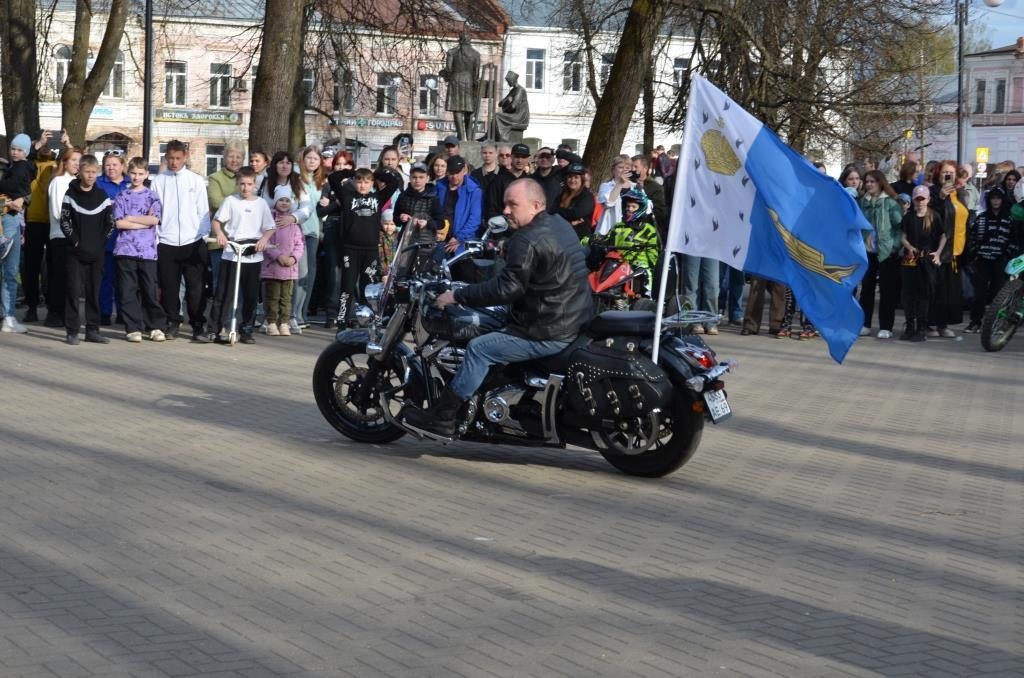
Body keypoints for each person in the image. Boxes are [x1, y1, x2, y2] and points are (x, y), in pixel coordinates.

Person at [401, 179, 591, 437]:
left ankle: (443, 417)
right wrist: (505, 249)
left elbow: (506, 289)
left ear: (536, 205)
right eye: (505, 204)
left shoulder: (527, 239)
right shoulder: (558, 223)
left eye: (513, 204)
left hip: (547, 328)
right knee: (491, 317)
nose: (506, 210)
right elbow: (541, 265)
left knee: (479, 348)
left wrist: (457, 295)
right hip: (566, 315)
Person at [151, 139, 212, 343]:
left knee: (195, 288)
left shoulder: (195, 181)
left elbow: (203, 211)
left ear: (185, 157)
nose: (174, 162)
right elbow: (156, 210)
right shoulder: (159, 181)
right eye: (171, 158)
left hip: (192, 241)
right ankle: (173, 321)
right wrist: (158, 236)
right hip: (167, 242)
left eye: (178, 158)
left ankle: (197, 324)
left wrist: (202, 236)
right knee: (169, 287)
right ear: (166, 158)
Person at [208, 166, 275, 344]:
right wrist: (220, 234)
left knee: (251, 295)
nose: (245, 188)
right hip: (232, 252)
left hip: (252, 253)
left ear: (255, 184)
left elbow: (270, 227)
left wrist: (264, 239)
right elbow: (216, 221)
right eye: (242, 184)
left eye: (249, 184)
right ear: (237, 184)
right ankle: (216, 328)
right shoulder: (230, 201)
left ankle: (246, 329)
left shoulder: (261, 204)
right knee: (224, 293)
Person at [59, 155, 114, 345]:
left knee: (94, 292)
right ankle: (72, 331)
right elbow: (64, 221)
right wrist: (75, 242)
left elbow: (110, 224)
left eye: (93, 172)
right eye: (87, 172)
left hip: (96, 253)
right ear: (79, 172)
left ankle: (92, 330)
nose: (90, 176)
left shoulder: (103, 196)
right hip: (75, 254)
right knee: (73, 291)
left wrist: (100, 243)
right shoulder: (70, 194)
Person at [336, 167, 400, 325]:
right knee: (348, 285)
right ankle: (342, 319)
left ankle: (366, 319)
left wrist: (376, 174)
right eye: (359, 181)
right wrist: (352, 171)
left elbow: (394, 182)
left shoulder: (378, 197)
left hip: (371, 250)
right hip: (350, 249)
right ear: (354, 182)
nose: (363, 185)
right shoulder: (347, 196)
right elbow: (334, 179)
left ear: (372, 183)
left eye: (367, 181)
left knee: (368, 287)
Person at [112, 157, 167, 343]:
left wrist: (131, 219)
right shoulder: (121, 196)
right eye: (133, 173)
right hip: (125, 249)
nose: (136, 177)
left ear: (146, 175)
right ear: (128, 173)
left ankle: (155, 326)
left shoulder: (152, 196)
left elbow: (155, 220)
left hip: (148, 250)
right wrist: (142, 221)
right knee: (128, 290)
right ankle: (133, 327)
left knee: (149, 289)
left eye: (140, 174)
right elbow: (119, 223)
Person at [857, 169, 905, 339]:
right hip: (868, 252)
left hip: (887, 253)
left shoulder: (891, 203)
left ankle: (886, 326)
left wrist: (894, 246)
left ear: (880, 183)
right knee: (866, 290)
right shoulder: (864, 202)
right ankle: (865, 324)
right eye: (867, 181)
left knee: (887, 291)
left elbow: (900, 227)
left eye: (872, 181)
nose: (869, 184)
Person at [588, 187, 660, 296]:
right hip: (617, 261)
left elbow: (653, 252)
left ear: (640, 208)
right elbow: (606, 239)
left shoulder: (648, 229)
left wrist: (651, 264)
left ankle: (647, 299)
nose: (629, 209)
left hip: (638, 263)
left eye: (633, 207)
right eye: (627, 206)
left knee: (645, 273)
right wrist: (591, 240)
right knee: (595, 272)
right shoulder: (618, 226)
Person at [964, 186, 1017, 333]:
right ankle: (975, 323)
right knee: (979, 293)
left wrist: (1006, 254)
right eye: (993, 198)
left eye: (998, 198)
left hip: (1000, 261)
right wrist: (975, 253)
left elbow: (1014, 240)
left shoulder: (1009, 219)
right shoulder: (982, 218)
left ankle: (997, 324)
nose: (995, 201)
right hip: (982, 260)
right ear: (989, 200)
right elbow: (972, 237)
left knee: (998, 293)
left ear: (1002, 200)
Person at [927, 160, 969, 338]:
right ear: (938, 174)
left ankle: (943, 325)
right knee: (935, 288)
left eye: (951, 172)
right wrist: (941, 198)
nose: (948, 175)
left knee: (948, 290)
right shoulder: (933, 192)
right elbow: (930, 216)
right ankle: (930, 324)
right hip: (938, 247)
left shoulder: (960, 194)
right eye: (945, 172)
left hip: (956, 248)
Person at [0, 133, 37, 334]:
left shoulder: (17, 168)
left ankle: (8, 316)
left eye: (19, 150)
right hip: (6, 219)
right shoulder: (9, 168)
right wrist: (10, 201)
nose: (15, 153)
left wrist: (23, 198)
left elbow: (26, 184)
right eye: (13, 149)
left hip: (12, 220)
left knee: (10, 271)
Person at [900, 185, 945, 342]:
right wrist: (909, 247)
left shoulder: (934, 216)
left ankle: (921, 327)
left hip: (926, 260)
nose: (920, 202)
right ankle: (910, 326)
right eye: (917, 199)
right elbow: (903, 236)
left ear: (928, 199)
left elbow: (943, 235)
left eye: (922, 199)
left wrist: (938, 253)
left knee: (923, 294)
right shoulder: (908, 217)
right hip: (911, 259)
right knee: (908, 294)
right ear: (913, 200)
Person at [21, 140, 58, 323]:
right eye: (44, 142)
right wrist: (37, 145)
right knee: (31, 267)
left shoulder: (58, 166)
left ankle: (53, 307)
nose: (46, 147)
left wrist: (66, 145)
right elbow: (21, 163)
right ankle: (31, 306)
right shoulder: (30, 165)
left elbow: (73, 163)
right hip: (34, 220)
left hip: (53, 222)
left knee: (53, 267)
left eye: (50, 143)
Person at [261, 186, 305, 337]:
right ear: (275, 201)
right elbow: (266, 242)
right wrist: (278, 256)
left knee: (286, 298)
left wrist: (293, 258)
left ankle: (284, 322)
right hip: (273, 267)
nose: (284, 203)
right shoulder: (270, 220)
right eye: (281, 200)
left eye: (287, 200)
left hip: (289, 269)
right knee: (272, 297)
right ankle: (271, 322)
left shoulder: (294, 223)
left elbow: (300, 244)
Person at [45, 147, 81, 328]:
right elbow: (59, 211)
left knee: (69, 278)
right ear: (64, 162)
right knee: (59, 276)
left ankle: (65, 313)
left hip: (73, 236)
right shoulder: (59, 181)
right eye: (73, 160)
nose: (76, 164)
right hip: (60, 235)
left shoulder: (77, 182)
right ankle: (55, 313)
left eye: (79, 161)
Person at [293, 145, 326, 333]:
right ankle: (294, 314)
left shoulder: (320, 181)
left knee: (309, 275)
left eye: (316, 158)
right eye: (309, 158)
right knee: (300, 272)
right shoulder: (296, 177)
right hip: (297, 229)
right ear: (303, 159)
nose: (312, 161)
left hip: (313, 230)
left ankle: (302, 313)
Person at [207, 142, 246, 296]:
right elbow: (216, 202)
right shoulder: (215, 178)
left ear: (243, 159)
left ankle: (240, 318)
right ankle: (220, 318)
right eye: (231, 156)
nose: (234, 160)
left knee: (241, 283)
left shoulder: (247, 178)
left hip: (243, 239)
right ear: (224, 158)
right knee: (220, 281)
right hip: (220, 239)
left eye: (238, 157)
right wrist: (242, 206)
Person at [97, 152, 131, 325]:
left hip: (127, 240)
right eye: (107, 164)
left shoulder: (130, 183)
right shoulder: (99, 183)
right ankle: (104, 312)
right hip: (106, 239)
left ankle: (123, 312)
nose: (111, 168)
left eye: (114, 164)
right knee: (106, 278)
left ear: (122, 166)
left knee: (123, 279)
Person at [436, 155, 483, 256]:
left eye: (457, 173)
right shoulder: (439, 187)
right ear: (447, 172)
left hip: (461, 243)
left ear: (464, 170)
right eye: (451, 173)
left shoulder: (474, 191)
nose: (454, 177)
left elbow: (474, 220)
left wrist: (458, 238)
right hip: (439, 239)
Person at [394, 162, 443, 237]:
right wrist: (401, 217)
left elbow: (441, 223)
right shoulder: (403, 196)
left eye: (421, 177)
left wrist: (427, 223)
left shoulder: (433, 198)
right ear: (410, 178)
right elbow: (395, 218)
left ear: (427, 178)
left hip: (426, 242)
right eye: (414, 177)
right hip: (406, 239)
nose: (417, 180)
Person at [485, 143, 531, 222]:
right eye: (517, 156)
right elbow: (491, 208)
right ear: (511, 157)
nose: (520, 160)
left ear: (528, 159)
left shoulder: (530, 181)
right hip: (504, 228)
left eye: (523, 157)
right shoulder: (498, 180)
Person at [551, 162, 594, 239]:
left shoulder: (587, 196)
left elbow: (576, 213)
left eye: (576, 177)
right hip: (559, 234)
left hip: (579, 238)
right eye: (570, 177)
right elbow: (552, 210)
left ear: (582, 179)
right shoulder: (562, 194)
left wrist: (558, 211)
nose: (572, 180)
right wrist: (570, 221)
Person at [483, 70, 530, 142]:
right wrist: (506, 101)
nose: (508, 83)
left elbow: (513, 106)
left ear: (513, 80)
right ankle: (489, 137)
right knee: (497, 115)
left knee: (498, 116)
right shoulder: (513, 90)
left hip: (520, 116)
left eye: (509, 81)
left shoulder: (520, 90)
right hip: (515, 114)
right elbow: (500, 103)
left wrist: (505, 108)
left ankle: (502, 137)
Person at [595, 155, 635, 236]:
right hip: (610, 228)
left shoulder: (635, 187)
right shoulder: (605, 186)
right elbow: (609, 203)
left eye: (627, 168)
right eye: (620, 167)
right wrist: (620, 183)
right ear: (613, 170)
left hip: (631, 228)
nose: (624, 170)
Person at [631, 154, 667, 232]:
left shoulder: (656, 188)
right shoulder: (627, 185)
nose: (633, 169)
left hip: (646, 229)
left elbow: (660, 212)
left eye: (636, 167)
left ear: (645, 168)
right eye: (631, 167)